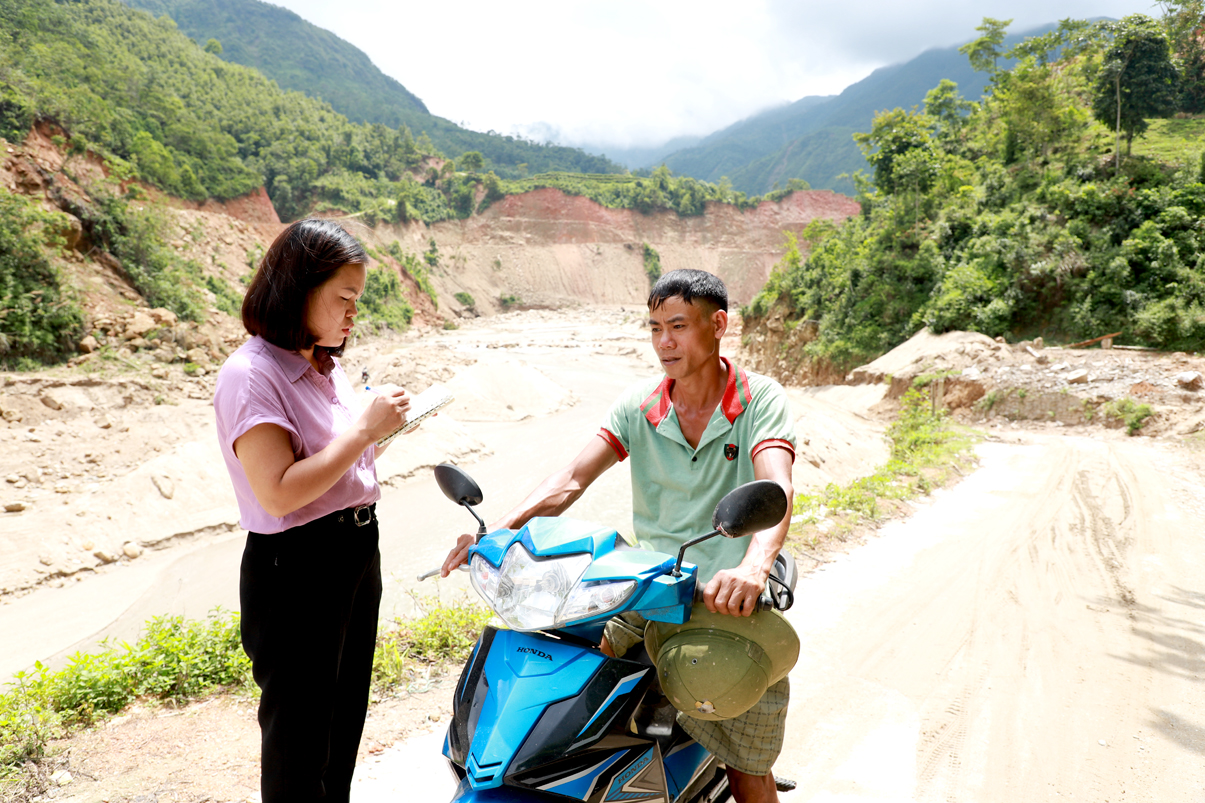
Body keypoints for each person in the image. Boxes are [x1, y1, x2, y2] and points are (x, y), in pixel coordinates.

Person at [441, 268, 796, 803]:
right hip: (646, 588)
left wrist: (752, 568)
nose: (664, 342)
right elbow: (570, 480)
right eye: (654, 328)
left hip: (724, 603)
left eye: (677, 326)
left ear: (718, 324)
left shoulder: (760, 401)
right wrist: (497, 535)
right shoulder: (639, 407)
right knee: (577, 695)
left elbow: (777, 488)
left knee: (747, 761)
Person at [214, 218, 412, 803]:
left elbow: (333, 459)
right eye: (343, 298)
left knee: (342, 719)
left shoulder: (324, 363)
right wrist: (363, 432)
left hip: (353, 549)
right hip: (297, 565)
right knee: (298, 740)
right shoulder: (251, 375)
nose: (353, 312)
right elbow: (277, 491)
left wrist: (380, 430)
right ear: (299, 289)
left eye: (358, 298)